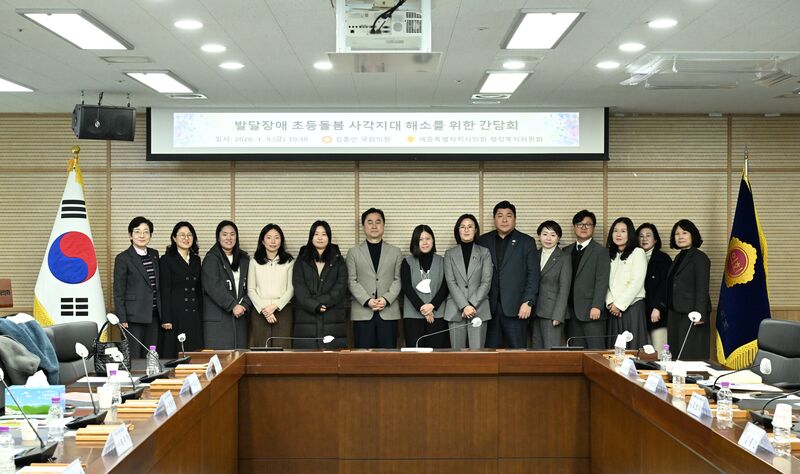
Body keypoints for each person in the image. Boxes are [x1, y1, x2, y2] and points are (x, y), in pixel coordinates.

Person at [477, 201, 539, 348]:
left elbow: (533, 274)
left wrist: (528, 302)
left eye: (509, 216)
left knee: (517, 352)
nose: (504, 220)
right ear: (494, 219)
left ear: (515, 219)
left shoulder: (526, 241)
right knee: (490, 353)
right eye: (500, 216)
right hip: (489, 308)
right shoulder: (483, 241)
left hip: (517, 307)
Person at [346, 208, 402, 349]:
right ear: (363, 226)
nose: (374, 226)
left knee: (388, 356)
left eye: (378, 222)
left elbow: (398, 279)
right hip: (362, 313)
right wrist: (368, 301)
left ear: (383, 225)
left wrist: (386, 299)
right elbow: (351, 281)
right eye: (369, 222)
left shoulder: (395, 252)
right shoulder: (353, 252)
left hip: (388, 312)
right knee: (363, 357)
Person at [292, 221, 348, 349]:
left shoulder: (338, 260)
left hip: (332, 316)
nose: (320, 237)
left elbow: (341, 286)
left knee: (333, 356)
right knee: (307, 358)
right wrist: (314, 305)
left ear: (329, 237)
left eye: (324, 234)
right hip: (306, 318)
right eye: (316, 234)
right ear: (311, 237)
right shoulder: (302, 260)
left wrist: (322, 303)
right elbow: (299, 286)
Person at [113, 216, 160, 358]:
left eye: (146, 232)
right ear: (130, 235)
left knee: (151, 355)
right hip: (133, 317)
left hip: (153, 315)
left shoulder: (154, 254)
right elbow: (118, 291)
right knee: (134, 356)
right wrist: (122, 318)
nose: (142, 235)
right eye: (137, 231)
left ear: (150, 235)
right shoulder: (123, 258)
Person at [443, 214, 492, 349]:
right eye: (462, 227)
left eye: (470, 227)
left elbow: (486, 281)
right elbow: (450, 282)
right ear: (458, 230)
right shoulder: (449, 254)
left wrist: (471, 304)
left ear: (475, 230)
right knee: (456, 356)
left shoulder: (484, 253)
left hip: (479, 309)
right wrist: (464, 306)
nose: (466, 230)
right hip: (455, 310)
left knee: (477, 354)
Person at [564, 210, 610, 349]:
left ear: (593, 227)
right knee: (575, 353)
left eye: (588, 224)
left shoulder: (601, 251)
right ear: (574, 227)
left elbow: (602, 281)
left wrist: (597, 306)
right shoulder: (566, 251)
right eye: (580, 224)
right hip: (570, 313)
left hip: (592, 312)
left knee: (595, 351)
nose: (583, 227)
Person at [202, 220, 252, 349]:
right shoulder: (211, 258)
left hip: (240, 316)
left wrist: (245, 305)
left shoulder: (244, 259)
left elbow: (252, 285)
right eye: (224, 234)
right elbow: (213, 287)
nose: (229, 238)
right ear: (218, 237)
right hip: (219, 320)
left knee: (239, 356)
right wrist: (232, 305)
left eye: (232, 234)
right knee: (220, 358)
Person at [667, 219, 711, 360]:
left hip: (692, 315)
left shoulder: (700, 258)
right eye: (677, 234)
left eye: (684, 233)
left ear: (693, 235)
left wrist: (700, 313)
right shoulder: (678, 257)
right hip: (675, 313)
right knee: (675, 355)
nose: (680, 236)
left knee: (691, 355)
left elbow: (702, 287)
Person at [159, 221, 203, 358]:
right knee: (175, 352)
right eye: (182, 235)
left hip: (194, 313)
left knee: (193, 351)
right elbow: (164, 290)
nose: (186, 238)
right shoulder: (166, 260)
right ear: (174, 238)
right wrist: (166, 318)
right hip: (175, 314)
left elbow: (198, 289)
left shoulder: (196, 259)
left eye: (189, 235)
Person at [401, 225, 449, 348]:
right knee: (415, 354)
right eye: (420, 239)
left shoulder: (443, 261)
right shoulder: (407, 262)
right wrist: (423, 308)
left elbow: (445, 287)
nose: (425, 242)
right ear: (415, 242)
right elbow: (406, 288)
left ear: (433, 240)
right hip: (413, 316)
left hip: (437, 315)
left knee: (436, 353)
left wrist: (432, 306)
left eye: (428, 238)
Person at [247, 224, 294, 349]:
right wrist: (265, 310)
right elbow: (251, 290)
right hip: (260, 311)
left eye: (277, 237)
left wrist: (275, 306)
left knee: (283, 348)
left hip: (283, 310)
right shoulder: (254, 262)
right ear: (262, 241)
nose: (273, 241)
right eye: (269, 237)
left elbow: (291, 289)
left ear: (281, 240)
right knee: (260, 348)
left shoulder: (289, 261)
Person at [605, 217, 648, 349]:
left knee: (632, 348)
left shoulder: (638, 252)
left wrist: (619, 305)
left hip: (632, 307)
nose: (618, 234)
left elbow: (636, 282)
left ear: (630, 234)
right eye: (615, 231)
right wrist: (610, 303)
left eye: (623, 231)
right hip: (613, 310)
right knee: (615, 350)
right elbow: (604, 281)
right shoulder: (609, 254)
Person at [532, 220, 571, 349]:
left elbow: (564, 289)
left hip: (552, 313)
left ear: (558, 238)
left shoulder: (564, 258)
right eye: (545, 234)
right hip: (534, 312)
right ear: (539, 236)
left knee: (551, 351)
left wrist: (558, 315)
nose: (548, 238)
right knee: (536, 350)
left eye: (553, 235)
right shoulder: (534, 255)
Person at [637, 223, 672, 354]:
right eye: (641, 236)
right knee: (644, 352)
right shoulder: (634, 257)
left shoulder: (663, 259)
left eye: (648, 235)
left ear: (655, 239)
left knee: (660, 350)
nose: (644, 239)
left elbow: (665, 286)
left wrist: (658, 308)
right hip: (640, 312)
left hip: (657, 313)